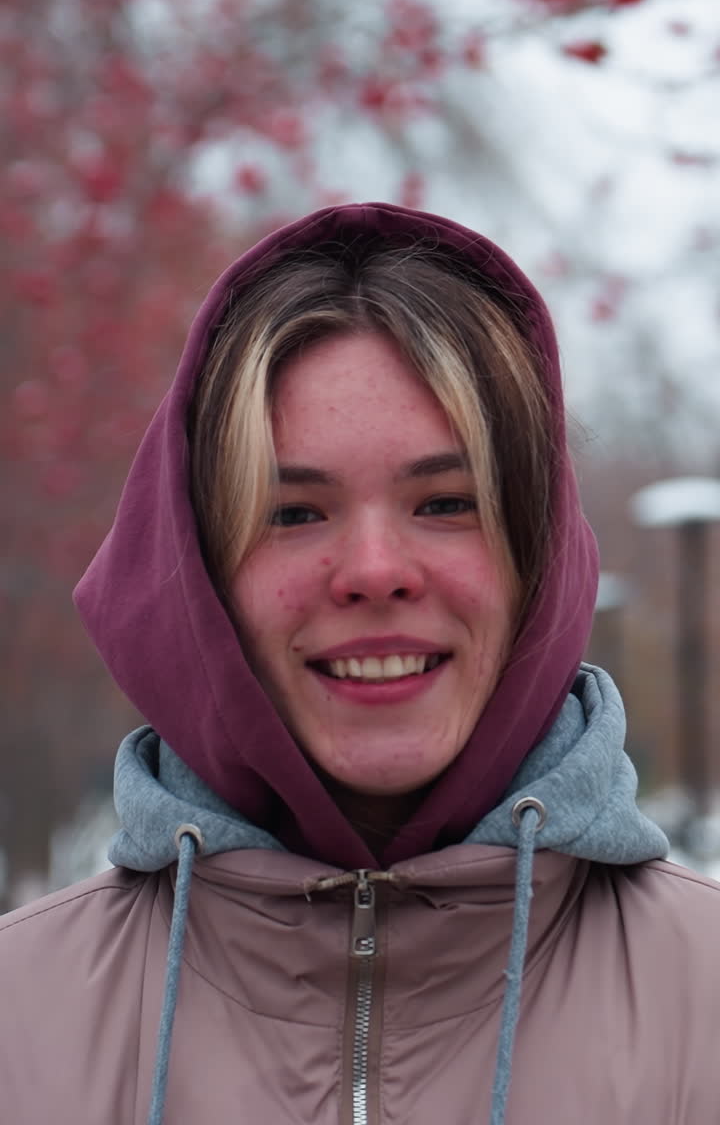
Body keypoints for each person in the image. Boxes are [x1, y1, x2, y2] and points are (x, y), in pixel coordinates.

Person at [1, 201, 719, 1125]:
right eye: (293, 512)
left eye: (446, 502)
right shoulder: (22, 1024)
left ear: (539, 557)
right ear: (202, 576)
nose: (375, 573)